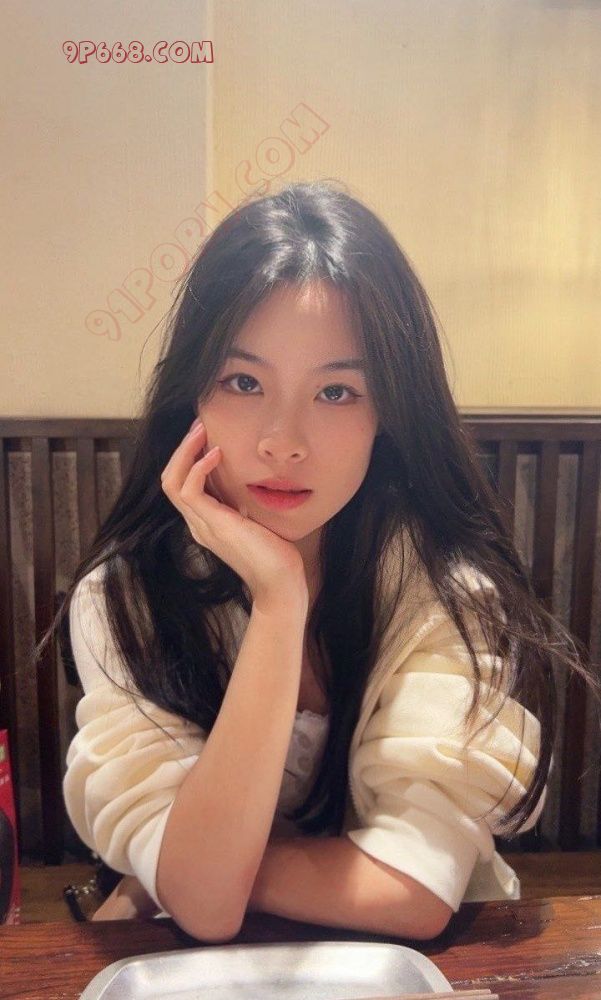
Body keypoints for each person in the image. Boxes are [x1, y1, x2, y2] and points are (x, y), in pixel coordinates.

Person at [38, 181, 592, 941]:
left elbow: (413, 891)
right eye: (243, 382)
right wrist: (279, 602)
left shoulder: (438, 590)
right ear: (194, 397)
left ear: (387, 412)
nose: (283, 441)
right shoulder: (126, 600)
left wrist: (192, 870)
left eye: (336, 391)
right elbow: (205, 904)